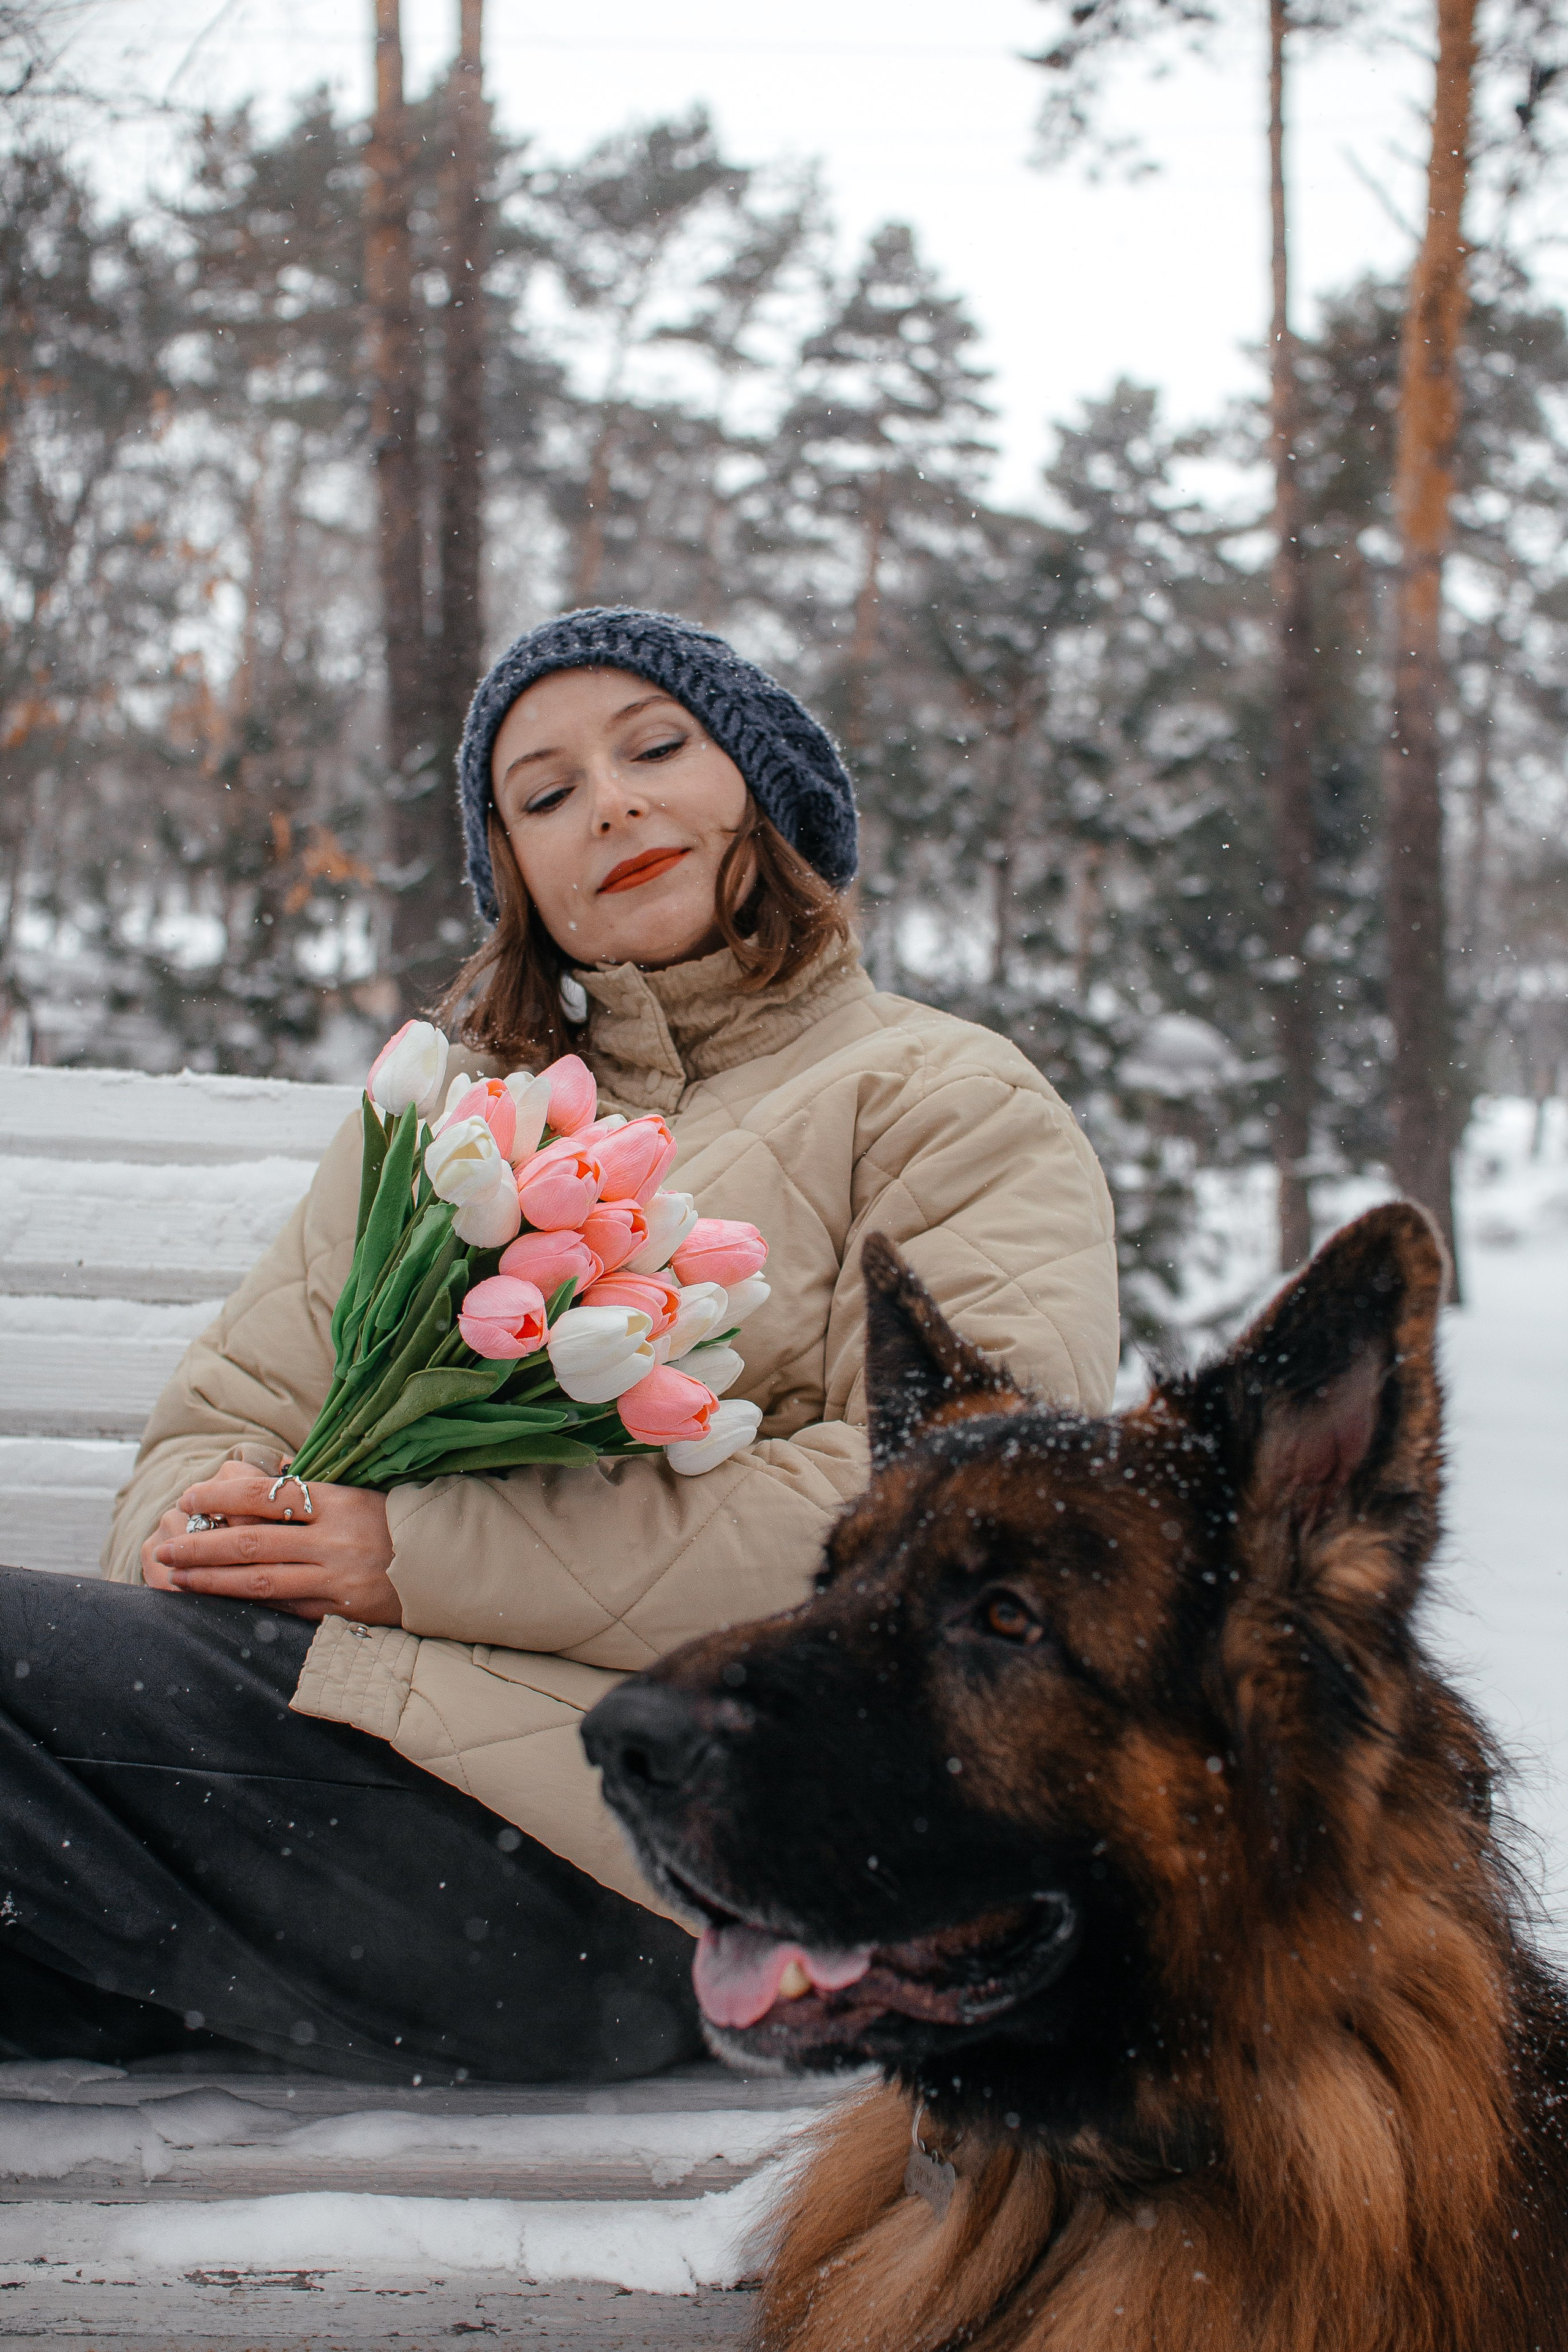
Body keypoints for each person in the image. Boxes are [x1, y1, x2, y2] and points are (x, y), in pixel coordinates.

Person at [0, 608, 1119, 2084]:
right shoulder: (453, 1118)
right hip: (317, 1750)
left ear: (766, 794)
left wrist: (415, 1553)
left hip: (653, 1848)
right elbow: (226, 1416)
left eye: (656, 749)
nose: (608, 801)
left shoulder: (937, 1099)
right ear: (516, 877)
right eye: (543, 795)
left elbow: (953, 1538)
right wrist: (213, 1531)